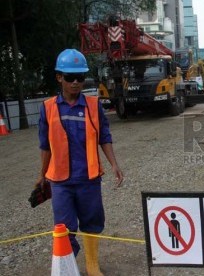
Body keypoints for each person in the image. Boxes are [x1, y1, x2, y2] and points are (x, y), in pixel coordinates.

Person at [36, 49, 123, 276]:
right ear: (59, 77)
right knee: (64, 227)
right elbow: (45, 145)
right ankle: (67, 266)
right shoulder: (48, 108)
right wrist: (41, 175)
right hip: (60, 181)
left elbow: (104, 136)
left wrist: (113, 164)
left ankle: (92, 264)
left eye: (80, 78)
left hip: (89, 177)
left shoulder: (94, 106)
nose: (76, 83)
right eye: (70, 77)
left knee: (92, 221)